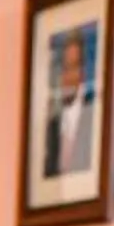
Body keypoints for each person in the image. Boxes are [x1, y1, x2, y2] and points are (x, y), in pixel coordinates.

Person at [42, 28, 96, 180]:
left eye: (74, 67)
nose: (68, 77)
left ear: (84, 73)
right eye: (65, 68)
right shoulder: (50, 126)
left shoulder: (94, 119)